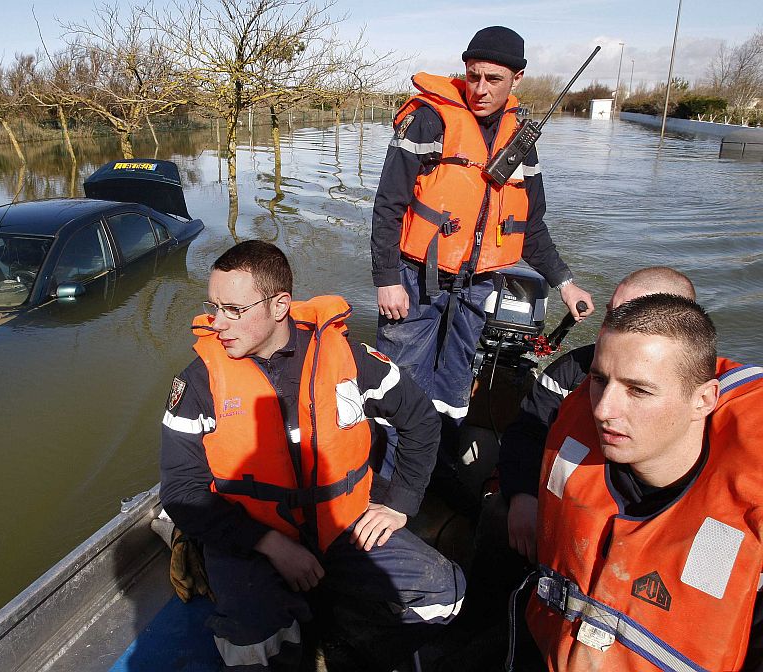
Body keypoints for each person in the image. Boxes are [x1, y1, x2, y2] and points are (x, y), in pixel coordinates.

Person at [160, 240, 465, 671]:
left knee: (445, 591)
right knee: (251, 639)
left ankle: (342, 647)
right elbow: (180, 490)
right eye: (214, 308)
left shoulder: (350, 361)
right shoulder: (197, 383)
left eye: (234, 310)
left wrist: (401, 503)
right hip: (251, 539)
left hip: (341, 525)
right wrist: (270, 544)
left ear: (279, 305)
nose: (218, 324)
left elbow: (420, 419)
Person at [369, 25, 594, 501]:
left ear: (517, 79)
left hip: (477, 286)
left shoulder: (522, 142)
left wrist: (566, 284)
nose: (481, 89)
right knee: (401, 383)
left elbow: (530, 228)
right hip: (415, 279)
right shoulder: (428, 121)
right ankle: (388, 483)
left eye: (494, 79)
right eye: (473, 76)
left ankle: (436, 471)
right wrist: (387, 278)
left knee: (454, 388)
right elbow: (388, 206)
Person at [522, 294, 763, 671]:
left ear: (703, 400)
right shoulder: (575, 442)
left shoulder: (745, 516)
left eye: (638, 390)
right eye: (599, 380)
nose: (603, 410)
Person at [498, 267, 696, 563]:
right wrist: (522, 494)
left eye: (639, 390)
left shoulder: (698, 393)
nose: (604, 409)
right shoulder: (570, 372)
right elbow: (528, 431)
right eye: (610, 314)